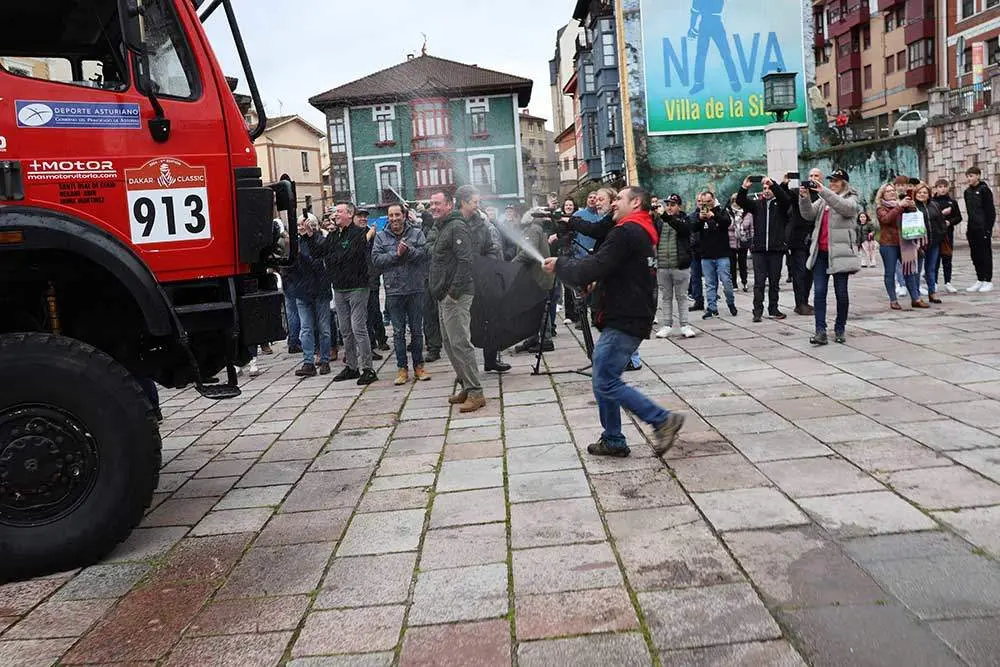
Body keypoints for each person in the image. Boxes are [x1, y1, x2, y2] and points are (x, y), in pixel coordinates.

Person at [542, 186, 685, 458]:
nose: (614, 203)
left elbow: (595, 264)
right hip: (631, 312)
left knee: (605, 380)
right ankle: (613, 438)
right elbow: (617, 270)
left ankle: (661, 420)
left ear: (636, 202)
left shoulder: (625, 231)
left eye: (619, 198)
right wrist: (596, 283)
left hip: (624, 316)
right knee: (603, 376)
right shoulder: (640, 230)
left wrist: (561, 264)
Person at [428, 186, 485, 413]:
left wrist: (453, 292)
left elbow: (465, 261)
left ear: (449, 205)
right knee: (449, 344)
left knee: (460, 343)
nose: (433, 207)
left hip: (456, 295)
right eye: (431, 204)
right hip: (444, 294)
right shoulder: (442, 227)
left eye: (437, 204)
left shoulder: (456, 226)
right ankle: (466, 386)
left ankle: (476, 393)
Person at [309, 202, 378, 385]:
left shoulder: (358, 233)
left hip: (357, 287)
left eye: (339, 211)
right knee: (345, 330)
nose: (335, 214)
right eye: (334, 211)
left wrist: (331, 259)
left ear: (349, 214)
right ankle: (352, 367)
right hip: (339, 288)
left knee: (358, 328)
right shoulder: (333, 235)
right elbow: (318, 253)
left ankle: (368, 368)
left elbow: (347, 256)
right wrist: (311, 235)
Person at [799, 168, 861, 345]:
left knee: (841, 293)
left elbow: (846, 209)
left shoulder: (851, 197)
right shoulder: (824, 200)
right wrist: (803, 197)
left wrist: (824, 192)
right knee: (819, 292)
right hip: (821, 253)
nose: (832, 183)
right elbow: (808, 214)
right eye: (831, 180)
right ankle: (820, 331)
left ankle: (840, 328)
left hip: (840, 254)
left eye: (836, 181)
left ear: (844, 183)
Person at [373, 203, 431, 385]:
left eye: (397, 214)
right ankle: (402, 368)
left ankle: (419, 366)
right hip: (394, 290)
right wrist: (396, 255)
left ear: (404, 216)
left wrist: (409, 251)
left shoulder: (416, 233)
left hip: (415, 288)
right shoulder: (381, 237)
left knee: (416, 331)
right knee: (398, 332)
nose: (394, 218)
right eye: (391, 215)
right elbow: (376, 259)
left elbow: (424, 254)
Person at [737, 175, 791, 322]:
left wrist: (773, 184)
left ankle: (773, 308)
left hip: (776, 249)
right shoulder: (757, 205)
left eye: (769, 188)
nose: (766, 190)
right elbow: (740, 201)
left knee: (774, 282)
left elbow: (785, 198)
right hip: (759, 249)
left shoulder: (780, 204)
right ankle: (757, 311)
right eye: (764, 188)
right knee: (759, 282)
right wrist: (744, 188)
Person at [468, 205, 509, 372]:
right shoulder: (467, 229)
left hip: (490, 277)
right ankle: (467, 368)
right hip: (474, 280)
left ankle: (491, 360)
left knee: (492, 321)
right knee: (475, 323)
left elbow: (496, 251)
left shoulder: (488, 229)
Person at [290, 213, 332, 377]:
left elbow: (318, 262)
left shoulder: (321, 240)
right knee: (306, 329)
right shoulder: (297, 243)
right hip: (302, 290)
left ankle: (325, 360)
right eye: (299, 225)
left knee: (324, 328)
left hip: (320, 290)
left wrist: (311, 237)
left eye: (303, 224)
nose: (300, 227)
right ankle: (308, 362)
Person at [876, 183, 926, 310]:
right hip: (888, 244)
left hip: (905, 243)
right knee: (890, 272)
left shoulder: (901, 204)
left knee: (910, 271)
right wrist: (899, 206)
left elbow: (913, 218)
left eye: (893, 190)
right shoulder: (881, 208)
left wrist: (913, 207)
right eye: (888, 191)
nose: (892, 193)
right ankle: (893, 300)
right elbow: (886, 219)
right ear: (882, 195)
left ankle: (916, 298)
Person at [655, 193, 697, 339]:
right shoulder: (660, 221)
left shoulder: (685, 219)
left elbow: (683, 229)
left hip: (680, 264)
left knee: (682, 296)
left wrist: (666, 217)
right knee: (666, 297)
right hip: (663, 265)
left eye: (673, 204)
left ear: (679, 206)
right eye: (668, 205)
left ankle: (685, 325)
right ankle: (667, 325)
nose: (669, 207)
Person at [690, 191, 736, 319]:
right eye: (703, 203)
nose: (706, 205)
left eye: (709, 202)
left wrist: (713, 216)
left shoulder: (721, 211)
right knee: (710, 283)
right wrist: (700, 218)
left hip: (722, 254)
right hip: (706, 255)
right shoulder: (699, 214)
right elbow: (692, 227)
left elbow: (726, 222)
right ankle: (712, 307)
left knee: (726, 281)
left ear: (713, 200)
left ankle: (731, 302)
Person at [786, 169, 819, 316]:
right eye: (811, 176)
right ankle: (800, 303)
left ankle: (804, 301)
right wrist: (783, 183)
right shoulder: (797, 192)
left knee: (810, 273)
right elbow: (784, 196)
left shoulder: (822, 194)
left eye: (816, 176)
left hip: (814, 240)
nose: (813, 178)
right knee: (800, 273)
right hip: (798, 240)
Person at [356, 209, 388, 358]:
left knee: (375, 311)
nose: (363, 219)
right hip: (358, 279)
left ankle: (381, 339)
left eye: (365, 217)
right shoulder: (355, 235)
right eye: (360, 216)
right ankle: (371, 344)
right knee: (364, 315)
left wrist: (376, 273)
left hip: (372, 278)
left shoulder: (374, 234)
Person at [914, 183, 947, 304]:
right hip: (919, 244)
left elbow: (941, 221)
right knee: (917, 270)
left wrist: (941, 234)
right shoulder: (912, 207)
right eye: (919, 193)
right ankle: (916, 295)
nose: (922, 195)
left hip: (934, 242)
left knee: (931, 269)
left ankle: (932, 293)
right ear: (915, 194)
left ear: (929, 194)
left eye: (924, 193)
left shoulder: (934, 205)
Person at [963, 166, 995, 292]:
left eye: (971, 176)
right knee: (975, 254)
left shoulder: (984, 190)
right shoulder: (967, 192)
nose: (969, 179)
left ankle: (988, 280)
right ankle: (980, 278)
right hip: (972, 228)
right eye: (968, 176)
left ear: (978, 176)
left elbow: (990, 212)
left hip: (983, 228)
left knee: (985, 254)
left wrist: (988, 229)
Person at [931, 179, 962, 293]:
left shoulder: (952, 202)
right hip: (935, 234)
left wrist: (950, 222)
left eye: (944, 186)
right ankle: (933, 283)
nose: (942, 189)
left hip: (948, 234)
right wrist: (942, 214)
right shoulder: (932, 202)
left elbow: (958, 217)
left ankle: (948, 282)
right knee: (935, 259)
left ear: (948, 188)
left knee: (947, 258)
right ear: (936, 188)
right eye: (939, 187)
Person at [726, 193, 751, 293]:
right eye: (734, 200)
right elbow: (726, 226)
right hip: (731, 241)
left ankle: (744, 281)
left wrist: (750, 240)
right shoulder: (728, 212)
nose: (736, 202)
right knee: (732, 264)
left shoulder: (747, 212)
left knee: (743, 263)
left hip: (743, 241)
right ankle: (734, 283)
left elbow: (750, 227)